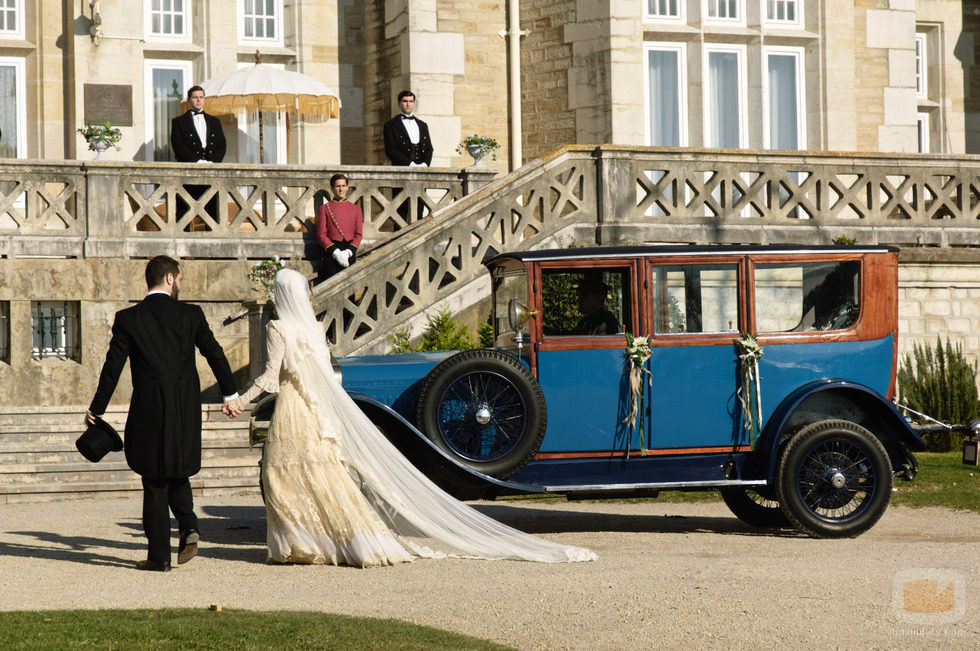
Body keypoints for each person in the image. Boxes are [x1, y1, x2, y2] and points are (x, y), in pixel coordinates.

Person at [224, 269, 595, 567]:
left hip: (293, 405)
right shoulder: (312, 328)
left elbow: (272, 377)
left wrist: (240, 400)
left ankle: (300, 543)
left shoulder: (279, 327)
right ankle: (336, 540)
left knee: (286, 474)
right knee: (321, 475)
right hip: (314, 408)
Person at [86, 256, 239, 572]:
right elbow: (214, 353)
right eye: (179, 278)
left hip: (148, 408)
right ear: (169, 278)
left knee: (154, 479)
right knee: (177, 468)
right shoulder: (191, 314)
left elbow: (112, 367)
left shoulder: (129, 318)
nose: (180, 284)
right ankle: (188, 524)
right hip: (185, 407)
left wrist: (96, 408)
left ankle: (159, 557)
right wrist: (230, 393)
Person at [171, 85, 226, 221]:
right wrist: (196, 161)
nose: (198, 100)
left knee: (212, 211)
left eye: (201, 97)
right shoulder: (178, 122)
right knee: (185, 212)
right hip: (188, 173)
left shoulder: (215, 121)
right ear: (189, 100)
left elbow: (222, 145)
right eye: (195, 97)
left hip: (211, 172)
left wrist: (213, 162)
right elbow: (178, 146)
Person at [315, 173, 363, 282]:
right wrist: (336, 252)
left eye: (343, 186)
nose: (341, 189)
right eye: (337, 186)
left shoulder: (356, 209)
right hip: (332, 253)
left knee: (349, 287)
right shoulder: (324, 209)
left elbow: (358, 235)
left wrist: (348, 252)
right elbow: (321, 235)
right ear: (332, 188)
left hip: (349, 251)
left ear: (347, 187)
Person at [383, 90, 433, 167]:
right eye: (405, 101)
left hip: (423, 168)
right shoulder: (391, 125)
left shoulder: (422, 125)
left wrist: (425, 164)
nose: (408, 104)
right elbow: (390, 150)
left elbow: (429, 148)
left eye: (411, 101)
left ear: (414, 103)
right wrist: (410, 164)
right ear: (399, 103)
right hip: (402, 169)